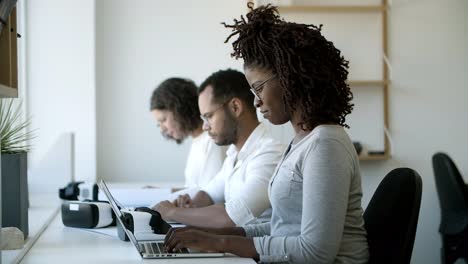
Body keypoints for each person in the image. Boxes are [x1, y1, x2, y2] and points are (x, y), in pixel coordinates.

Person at [162, 4, 370, 264]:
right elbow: (281, 227)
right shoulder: (301, 142)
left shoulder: (325, 144)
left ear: (290, 78)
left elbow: (317, 252)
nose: (256, 102)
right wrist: (212, 235)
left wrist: (221, 242)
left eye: (258, 88)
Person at [153, 69, 284, 228]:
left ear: (235, 107)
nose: (205, 126)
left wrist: (172, 212)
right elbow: (208, 194)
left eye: (209, 116)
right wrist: (189, 205)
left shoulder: (269, 154)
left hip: (256, 251)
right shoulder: (234, 155)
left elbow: (230, 217)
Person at [150, 78, 226, 190]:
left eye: (163, 120)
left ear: (179, 110)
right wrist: (161, 192)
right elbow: (195, 189)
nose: (162, 129)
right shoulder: (197, 141)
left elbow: (210, 195)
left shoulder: (213, 140)